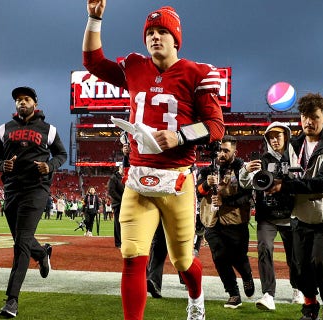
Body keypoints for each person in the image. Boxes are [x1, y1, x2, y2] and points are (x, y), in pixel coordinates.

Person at [83, 2, 225, 319]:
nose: (155, 37)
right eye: (150, 32)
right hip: (138, 177)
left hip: (177, 179)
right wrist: (94, 18)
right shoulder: (135, 66)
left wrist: (180, 136)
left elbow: (216, 127)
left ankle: (196, 299)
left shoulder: (197, 73)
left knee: (183, 261)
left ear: (176, 39)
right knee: (133, 256)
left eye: (163, 31)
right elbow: (93, 62)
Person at [265, 93, 323, 320]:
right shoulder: (293, 145)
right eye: (305, 116)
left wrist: (285, 186)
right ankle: (310, 306)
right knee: (300, 266)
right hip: (302, 215)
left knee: (321, 260)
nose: (308, 122)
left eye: (314, 117)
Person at [0, 86, 67, 318]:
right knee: (21, 239)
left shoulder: (49, 129)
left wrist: (49, 166)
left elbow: (61, 154)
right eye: (18, 100)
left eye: (26, 99)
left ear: (35, 102)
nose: (21, 103)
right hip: (12, 189)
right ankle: (42, 253)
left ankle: (12, 299)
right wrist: (2, 165)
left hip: (36, 189)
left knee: (21, 243)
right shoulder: (4, 129)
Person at [239, 122, 304, 311]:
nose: (275, 140)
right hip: (267, 215)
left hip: (291, 213)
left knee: (295, 256)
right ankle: (268, 293)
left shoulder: (296, 158)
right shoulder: (261, 160)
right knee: (264, 249)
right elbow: (246, 184)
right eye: (271, 137)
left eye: (278, 136)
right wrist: (246, 170)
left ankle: (298, 288)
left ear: (286, 137)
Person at [196, 135, 254, 309]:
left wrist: (225, 201)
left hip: (236, 222)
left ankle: (247, 275)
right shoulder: (207, 170)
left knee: (238, 257)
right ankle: (233, 293)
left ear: (234, 152)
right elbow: (198, 193)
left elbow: (246, 197)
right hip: (212, 222)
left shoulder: (241, 169)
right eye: (220, 150)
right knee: (219, 257)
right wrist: (206, 184)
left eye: (226, 151)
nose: (221, 154)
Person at [108, 164, 125, 248]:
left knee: (126, 223)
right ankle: (118, 243)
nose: (125, 170)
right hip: (118, 203)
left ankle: (124, 242)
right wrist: (121, 199)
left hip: (126, 204)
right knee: (118, 223)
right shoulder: (114, 177)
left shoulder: (127, 177)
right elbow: (111, 191)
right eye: (123, 168)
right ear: (120, 168)